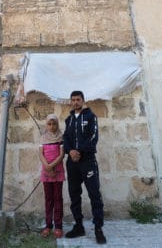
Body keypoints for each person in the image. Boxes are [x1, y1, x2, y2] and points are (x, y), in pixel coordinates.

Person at [63, 91, 106, 244]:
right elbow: (66, 139)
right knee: (74, 195)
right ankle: (79, 226)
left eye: (78, 99)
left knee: (94, 194)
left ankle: (98, 229)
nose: (75, 102)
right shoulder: (68, 120)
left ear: (83, 100)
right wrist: (70, 151)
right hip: (72, 163)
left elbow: (93, 137)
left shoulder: (90, 117)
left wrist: (79, 151)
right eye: (73, 100)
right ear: (70, 102)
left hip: (87, 161)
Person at [39, 114, 65, 239]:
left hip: (57, 171)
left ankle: (58, 226)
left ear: (57, 124)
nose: (52, 126)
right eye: (49, 124)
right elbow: (41, 154)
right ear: (46, 125)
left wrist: (52, 167)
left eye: (54, 123)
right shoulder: (43, 138)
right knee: (48, 199)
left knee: (57, 198)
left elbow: (61, 155)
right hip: (46, 172)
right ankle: (48, 225)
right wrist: (47, 167)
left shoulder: (60, 137)